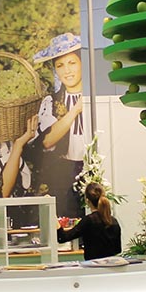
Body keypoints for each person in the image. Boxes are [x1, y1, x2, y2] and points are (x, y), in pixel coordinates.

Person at [30, 33, 87, 218]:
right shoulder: (51, 102)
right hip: (64, 175)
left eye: (72, 63)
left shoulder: (97, 97)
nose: (67, 70)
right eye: (60, 65)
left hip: (95, 170)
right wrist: (75, 110)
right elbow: (47, 141)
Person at [56, 182, 122, 260]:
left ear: (87, 201)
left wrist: (54, 219)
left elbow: (62, 238)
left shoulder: (88, 221)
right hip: (112, 265)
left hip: (93, 265)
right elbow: (118, 249)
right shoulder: (113, 221)